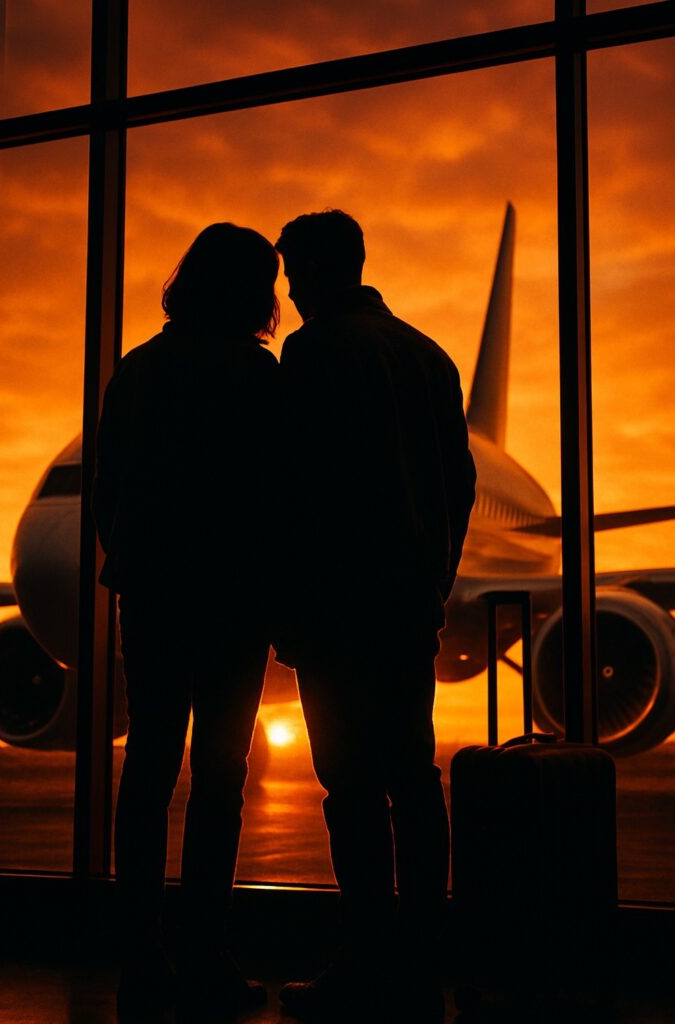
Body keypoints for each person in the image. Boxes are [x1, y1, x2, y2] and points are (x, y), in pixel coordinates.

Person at [274, 209, 476, 1019]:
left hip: (335, 608)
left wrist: (287, 602)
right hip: (404, 604)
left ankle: (363, 960)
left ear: (318, 271)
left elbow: (296, 488)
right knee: (413, 781)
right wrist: (432, 575)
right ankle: (423, 955)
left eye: (293, 274)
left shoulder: (314, 350)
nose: (287, 293)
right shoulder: (429, 356)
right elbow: (456, 486)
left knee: (351, 791)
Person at [93, 223, 280, 1022]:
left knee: (147, 772)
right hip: (234, 602)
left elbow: (111, 488)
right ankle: (206, 954)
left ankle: (139, 957)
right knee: (218, 782)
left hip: (156, 596)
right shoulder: (258, 374)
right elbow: (281, 498)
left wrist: (137, 560)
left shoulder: (137, 370)